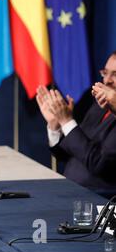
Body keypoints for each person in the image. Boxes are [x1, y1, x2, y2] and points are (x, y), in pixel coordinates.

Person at [36, 52, 116, 195]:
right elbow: (70, 153)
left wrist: (67, 121)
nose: (107, 81)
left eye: (115, 74)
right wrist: (56, 125)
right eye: (105, 73)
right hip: (70, 191)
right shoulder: (99, 106)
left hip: (99, 199)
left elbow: (98, 163)